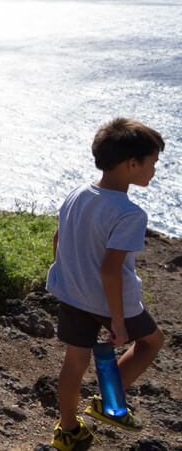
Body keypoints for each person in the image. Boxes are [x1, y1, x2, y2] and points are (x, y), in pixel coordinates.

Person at [47, 117, 165, 450]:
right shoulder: (129, 213)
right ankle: (108, 403)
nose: (154, 171)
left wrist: (67, 277)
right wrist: (117, 320)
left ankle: (68, 430)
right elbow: (112, 271)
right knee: (151, 343)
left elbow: (60, 238)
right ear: (132, 164)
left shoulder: (77, 193)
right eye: (152, 163)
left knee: (74, 362)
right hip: (112, 300)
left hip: (72, 293)